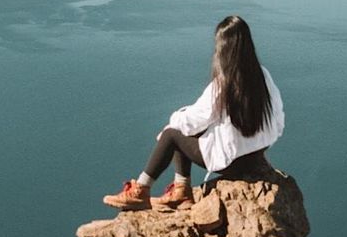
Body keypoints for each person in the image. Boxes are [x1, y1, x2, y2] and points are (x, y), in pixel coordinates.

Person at [103, 15, 285, 211]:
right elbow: (278, 119)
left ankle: (141, 190)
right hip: (255, 157)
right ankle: (181, 191)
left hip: (232, 163)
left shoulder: (223, 84)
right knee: (183, 131)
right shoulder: (263, 75)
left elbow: (194, 121)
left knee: (172, 133)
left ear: (223, 49)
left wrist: (175, 119)